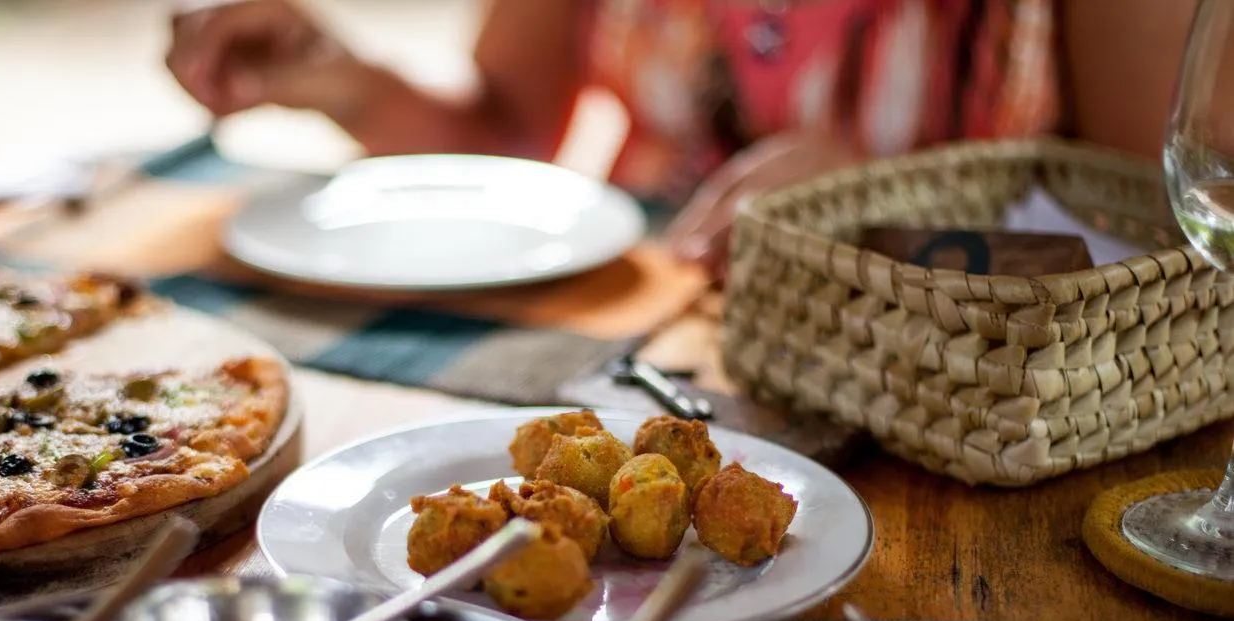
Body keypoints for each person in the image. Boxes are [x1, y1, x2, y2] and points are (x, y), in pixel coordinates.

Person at [166, 0, 1198, 276]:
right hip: (646, 366)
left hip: (950, 428)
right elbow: (507, 141)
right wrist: (344, 79)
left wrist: (907, 203)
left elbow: (1171, 255)